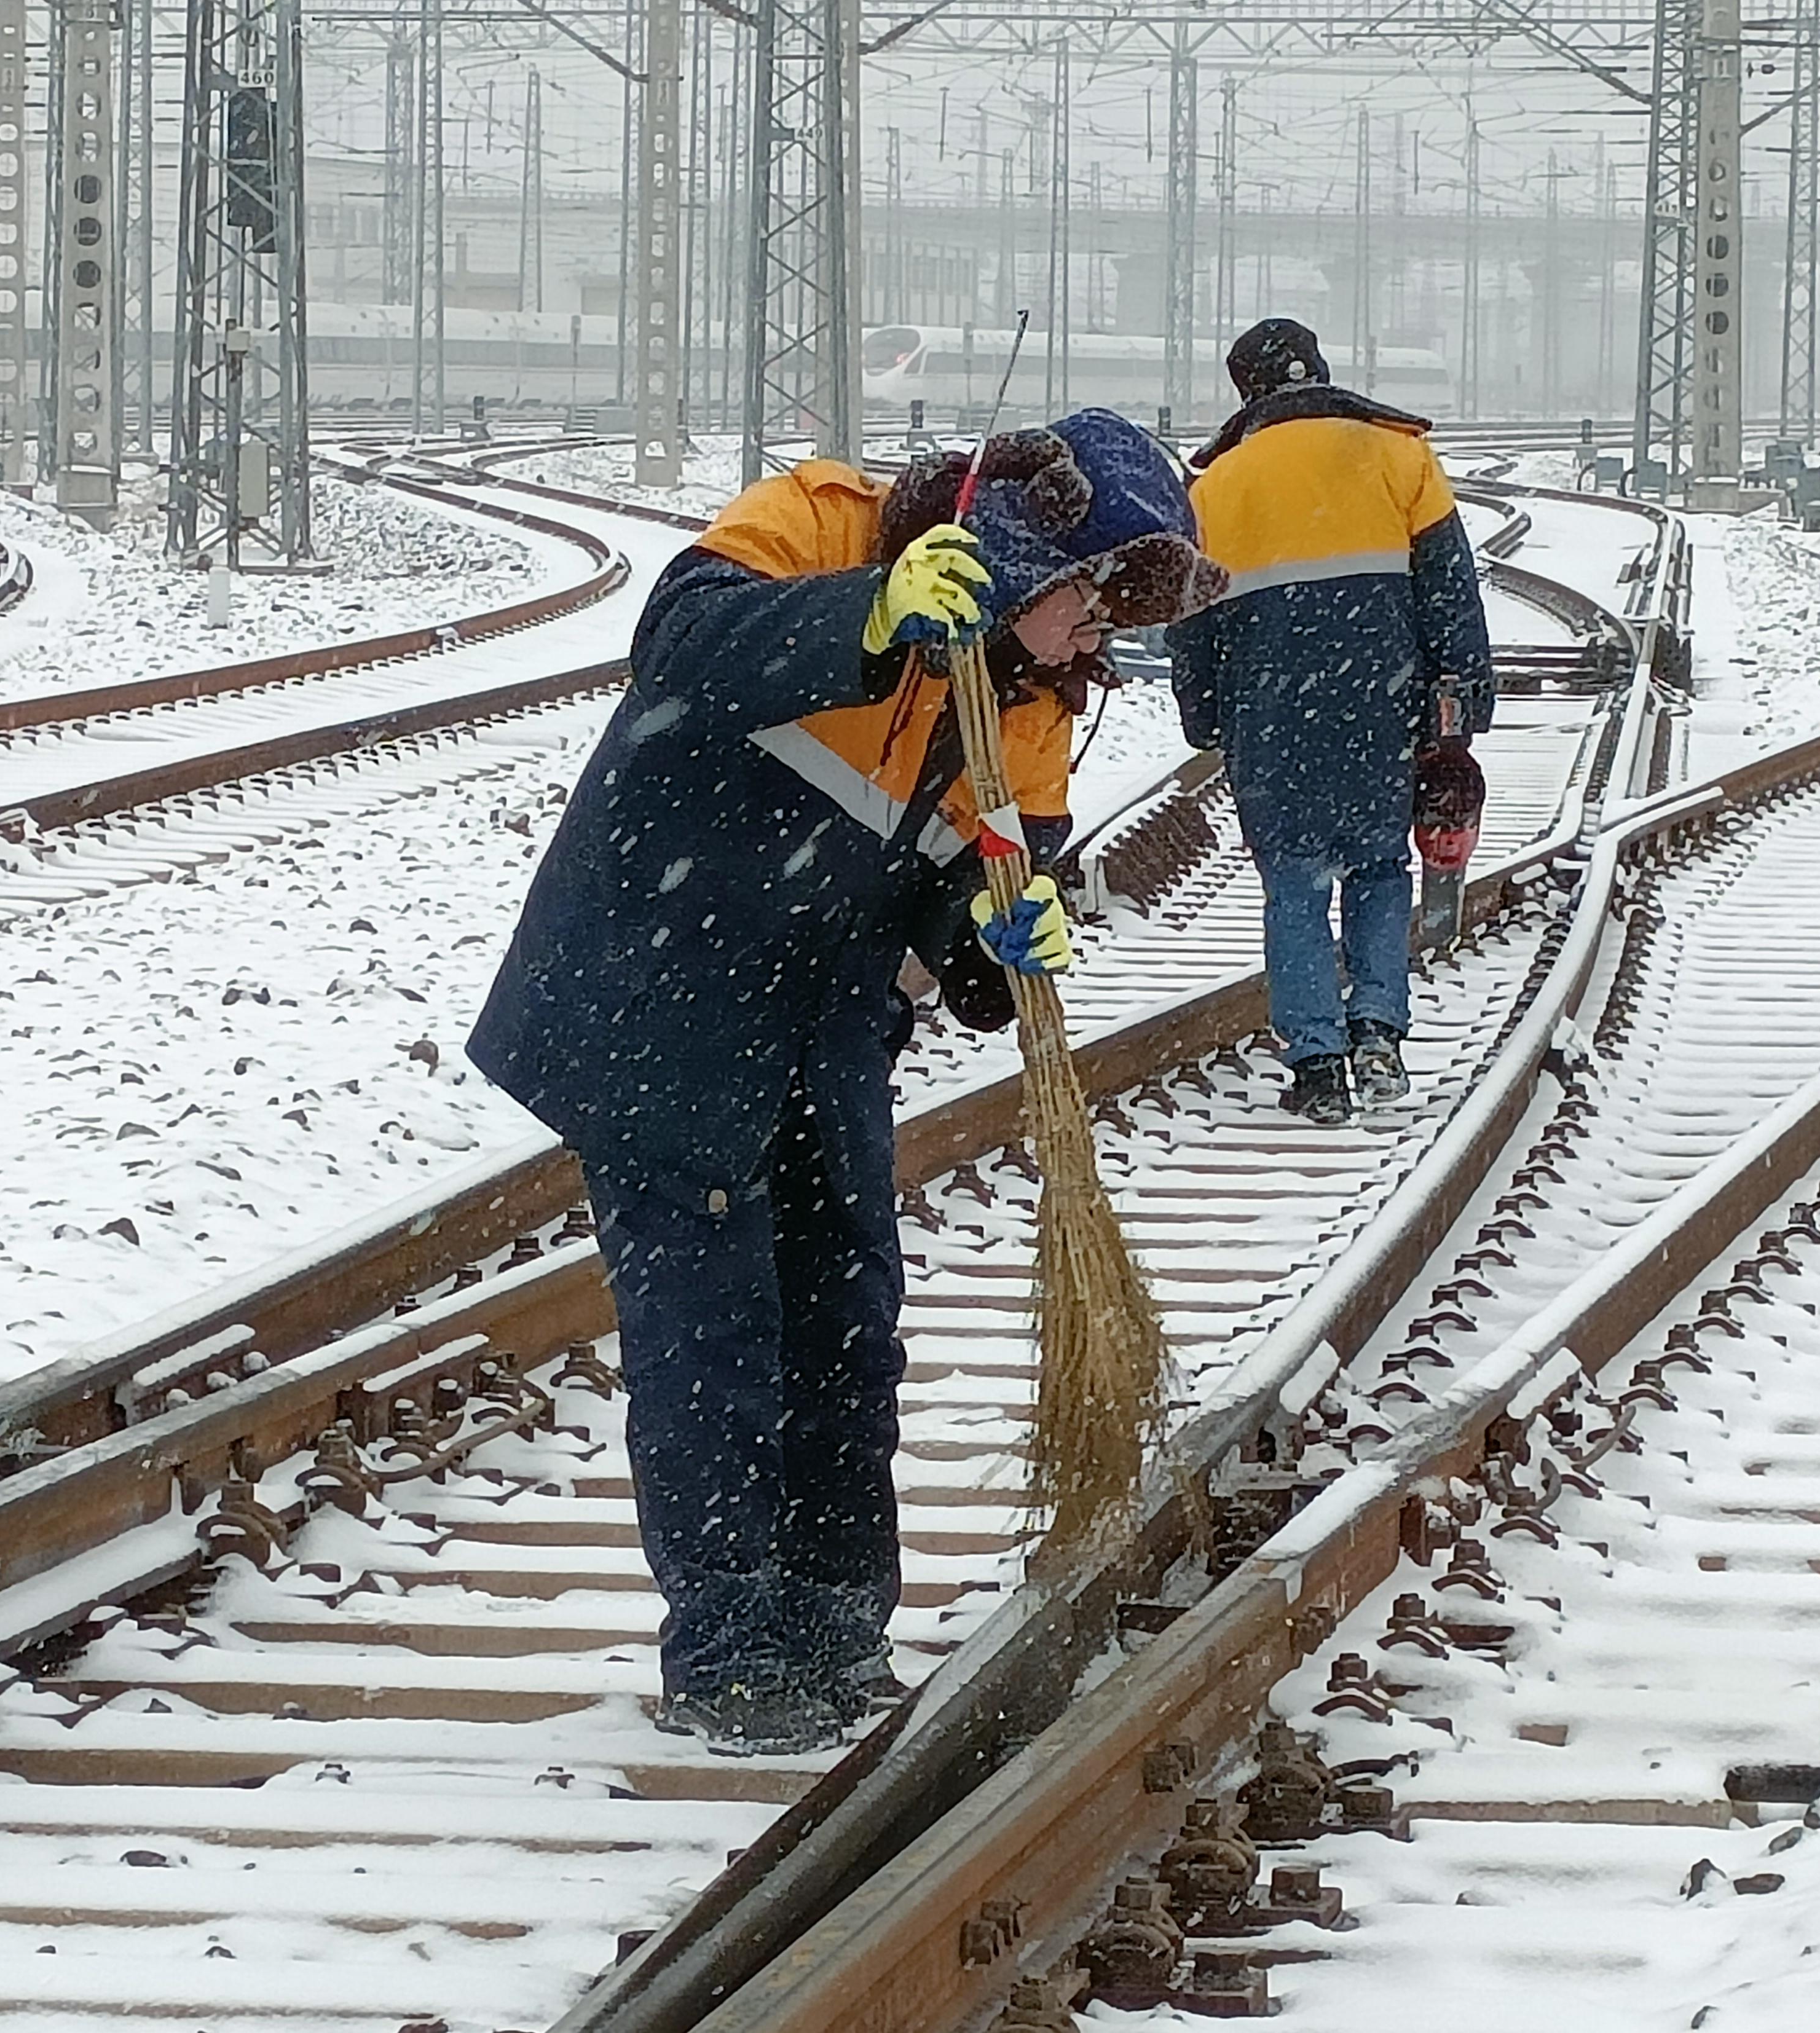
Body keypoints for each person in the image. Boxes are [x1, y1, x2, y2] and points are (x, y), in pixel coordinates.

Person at [468, 411, 1224, 1755]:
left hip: (824, 1021)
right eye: (1087, 601)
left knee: (846, 1317)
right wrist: (865, 612)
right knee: (714, 1338)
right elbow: (682, 644)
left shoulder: (1033, 698)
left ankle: (831, 1618)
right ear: (1011, 551)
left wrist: (1001, 938)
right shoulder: (820, 523)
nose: (1093, 640)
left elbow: (989, 876)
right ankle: (726, 1648)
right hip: (658, 989)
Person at [1175, 317, 1496, 1125]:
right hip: (1378, 704)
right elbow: (1450, 588)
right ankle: (1379, 1033)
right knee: (1380, 869)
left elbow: (1193, 624)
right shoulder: (1396, 455)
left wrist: (1204, 715)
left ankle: (1317, 1063)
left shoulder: (1215, 487)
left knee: (1293, 883)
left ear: (1246, 391)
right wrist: (1458, 701)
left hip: (1271, 714)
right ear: (1318, 370)